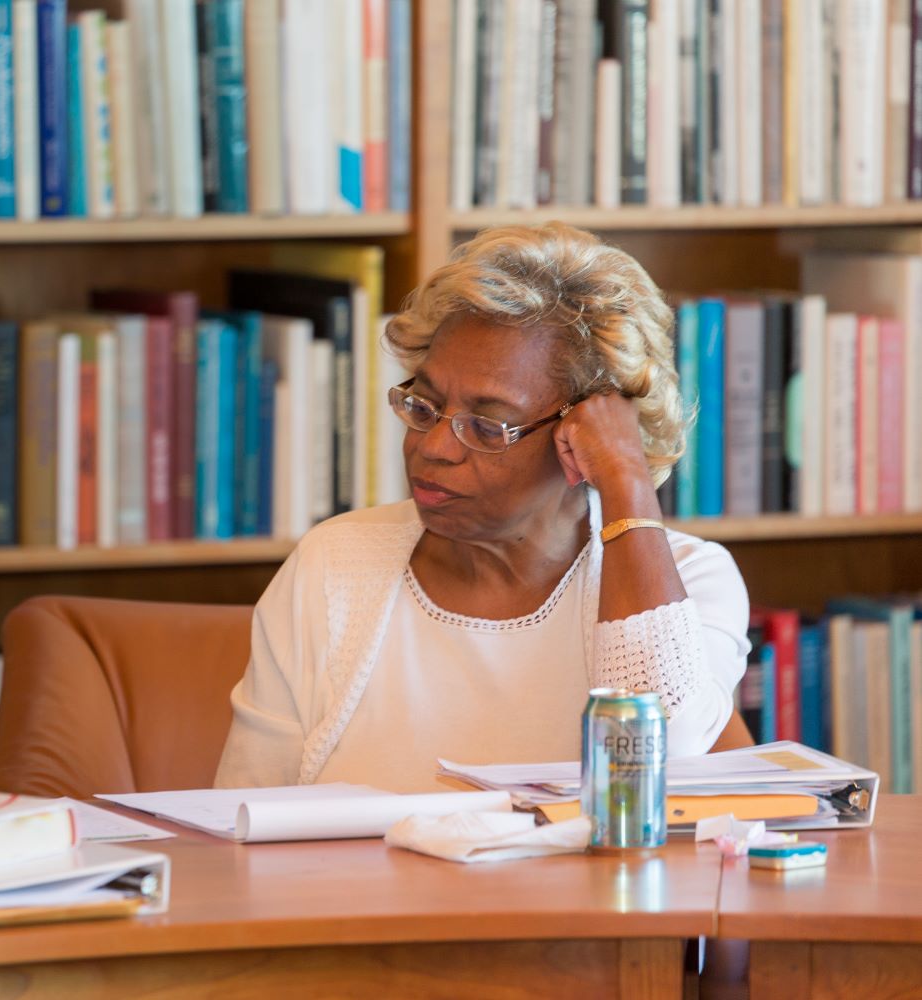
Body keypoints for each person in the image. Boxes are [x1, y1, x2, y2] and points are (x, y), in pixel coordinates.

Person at [215, 222, 750, 792]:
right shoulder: (334, 565)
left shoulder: (691, 581)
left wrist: (627, 480)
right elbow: (243, 816)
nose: (433, 447)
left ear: (582, 439)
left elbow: (655, 754)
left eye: (488, 425)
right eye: (425, 404)